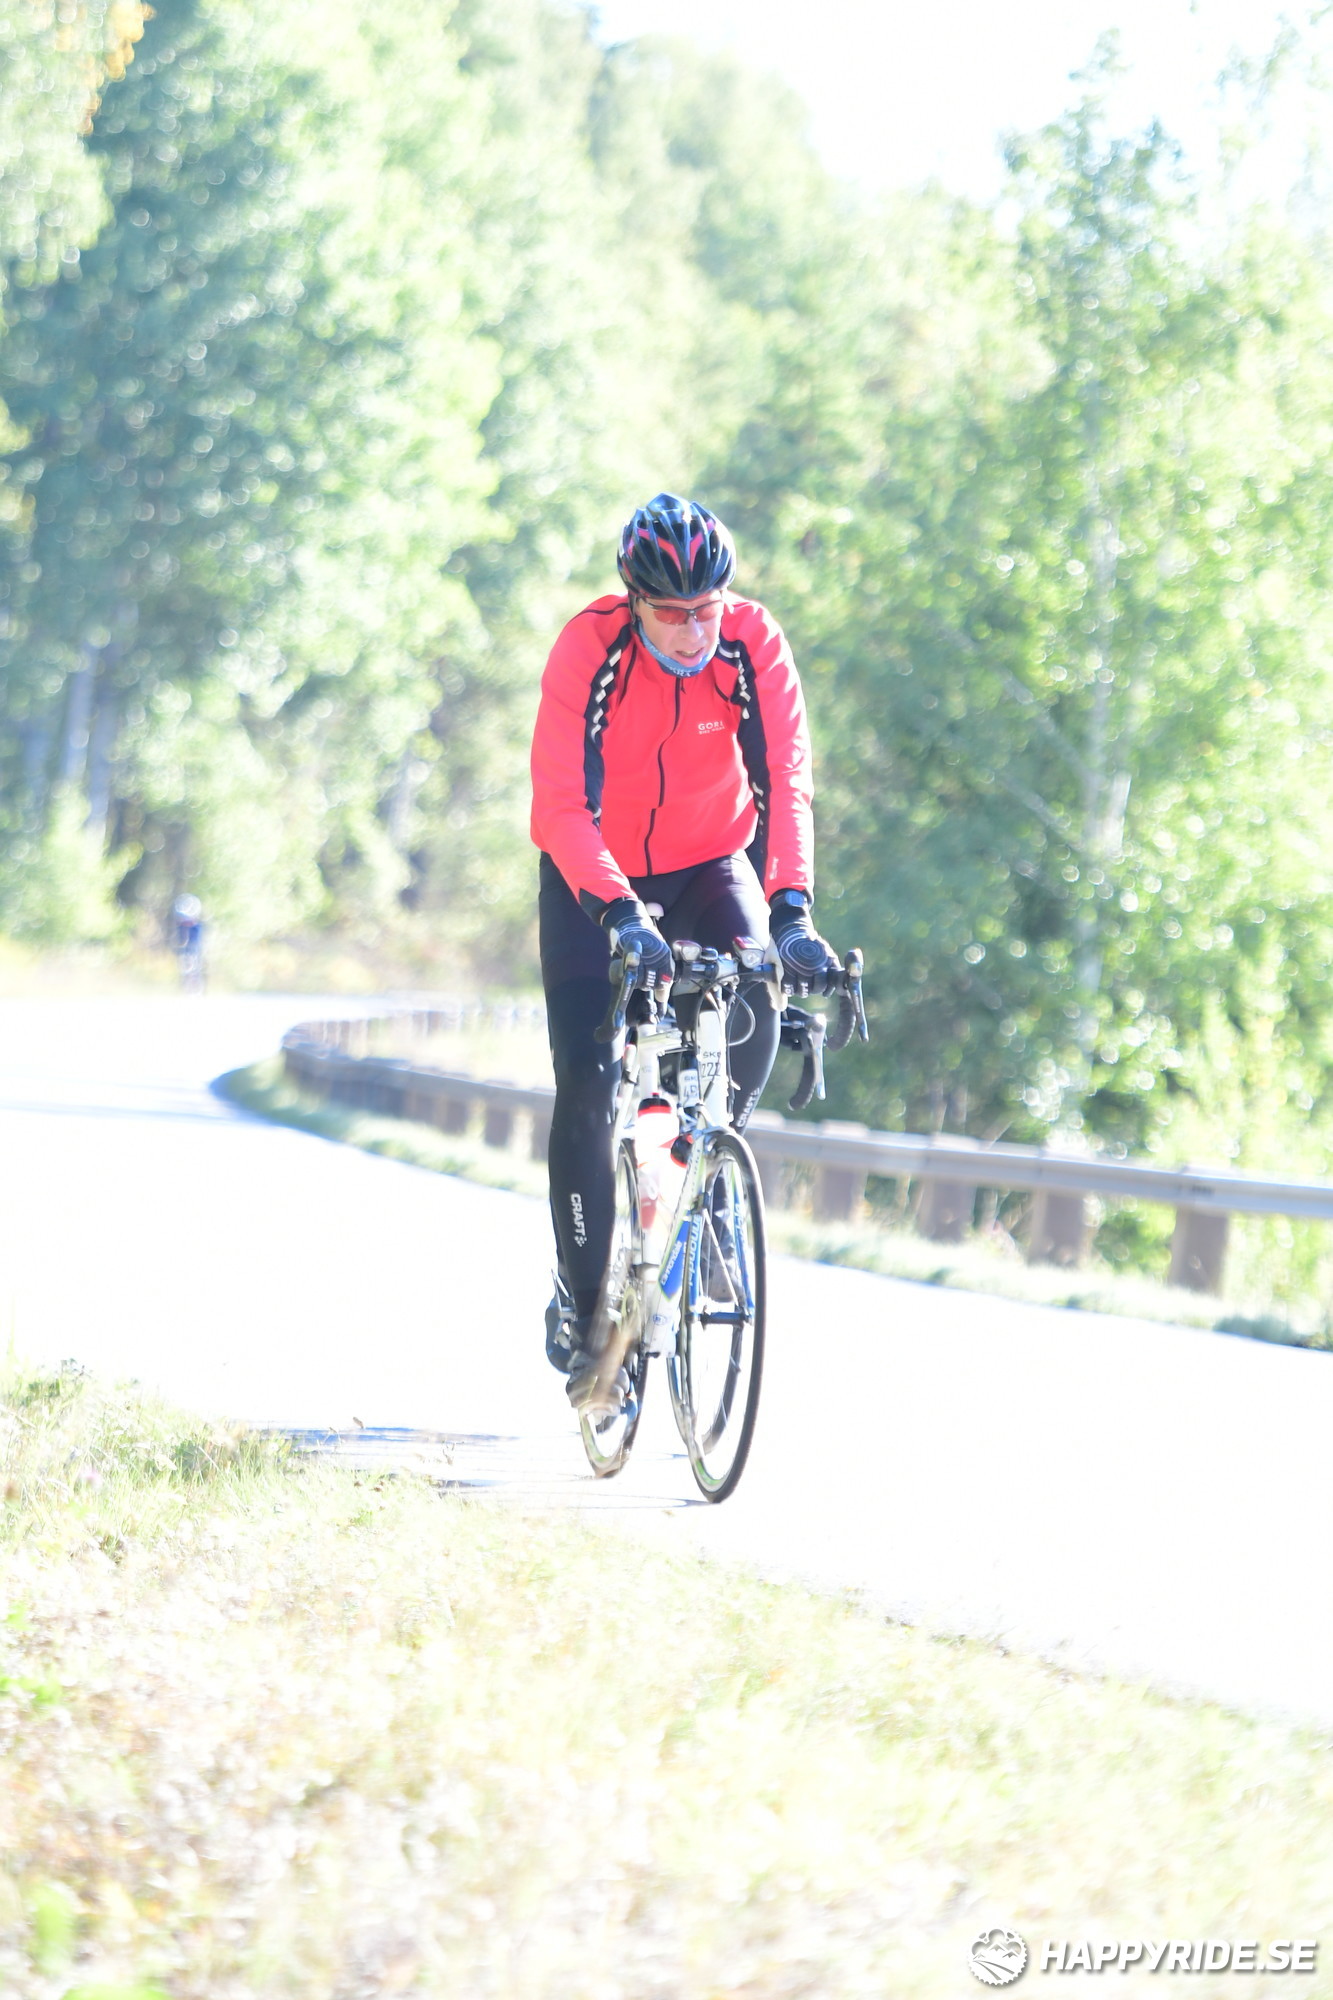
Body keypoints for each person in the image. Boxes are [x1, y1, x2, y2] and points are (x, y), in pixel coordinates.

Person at [531, 493, 841, 1411]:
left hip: (711, 860)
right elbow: (560, 805)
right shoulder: (588, 648)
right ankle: (587, 1312)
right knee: (587, 1081)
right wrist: (620, 913)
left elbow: (785, 781)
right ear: (633, 602)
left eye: (706, 608)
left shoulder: (750, 642)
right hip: (595, 875)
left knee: (757, 989)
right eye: (671, 614)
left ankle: (706, 1179)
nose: (694, 630)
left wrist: (792, 910)